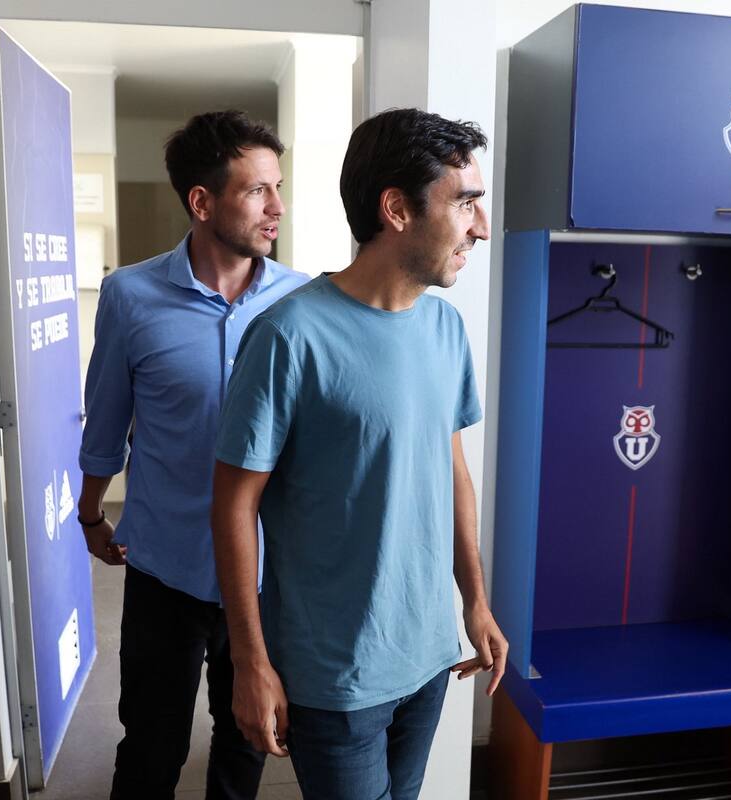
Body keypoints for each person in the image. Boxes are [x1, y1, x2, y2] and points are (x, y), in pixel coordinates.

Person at [210, 108, 508, 800]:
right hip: (335, 673)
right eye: (465, 202)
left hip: (429, 654)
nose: (481, 226)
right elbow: (232, 505)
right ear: (397, 209)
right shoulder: (289, 336)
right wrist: (250, 662)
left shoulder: (444, 327)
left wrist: (476, 601)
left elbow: (451, 470)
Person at [77, 109, 308, 800]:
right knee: (152, 743)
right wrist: (91, 514)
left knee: (245, 744)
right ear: (201, 201)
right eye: (257, 190)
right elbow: (106, 423)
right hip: (165, 567)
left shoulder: (302, 302)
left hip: (268, 575)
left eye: (279, 186)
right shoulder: (130, 295)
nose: (278, 206)